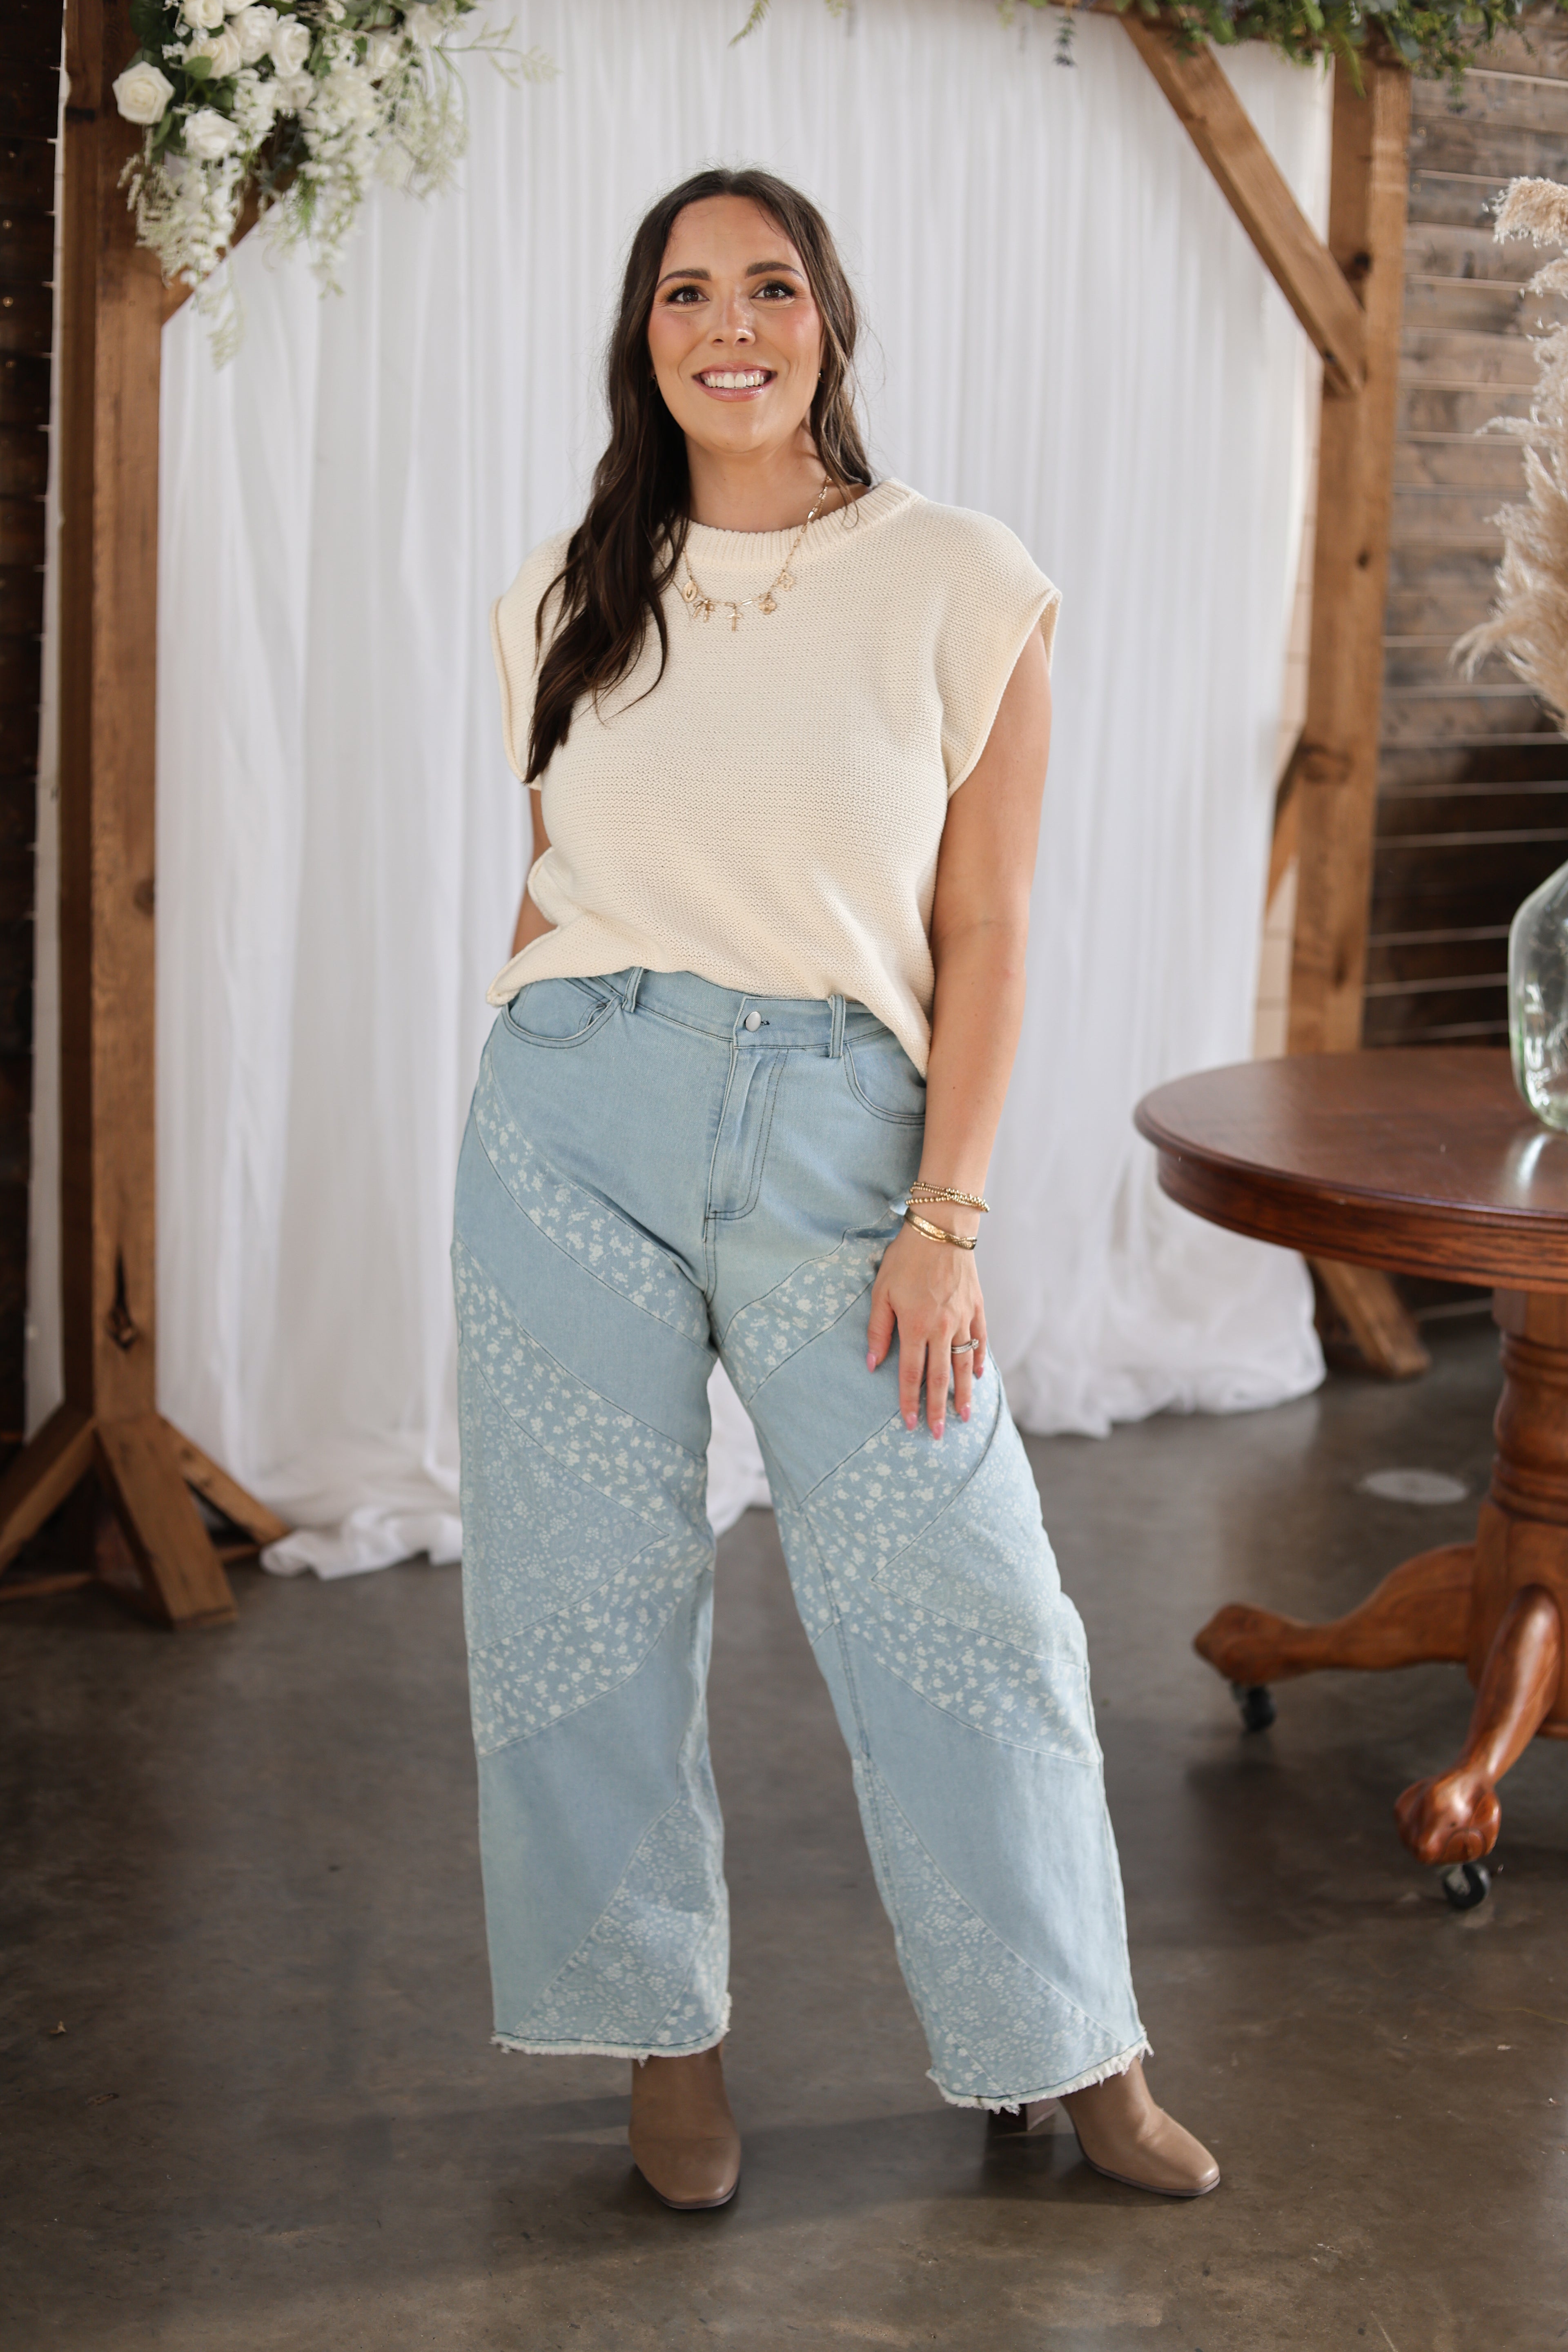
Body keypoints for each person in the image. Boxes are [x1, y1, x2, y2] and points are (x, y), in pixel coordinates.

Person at [454, 166, 1218, 2211]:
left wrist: (947, 1220)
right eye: (688, 291)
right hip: (568, 1121)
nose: (732, 323)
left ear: (829, 323)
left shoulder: (960, 578)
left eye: (771, 286)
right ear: (643, 337)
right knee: (582, 1610)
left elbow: (991, 925)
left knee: (973, 1607)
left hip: (843, 1137)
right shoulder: (560, 594)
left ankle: (1077, 2046)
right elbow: (555, 885)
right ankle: (664, 2047)